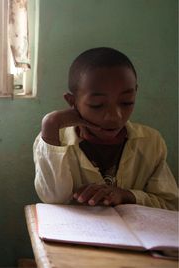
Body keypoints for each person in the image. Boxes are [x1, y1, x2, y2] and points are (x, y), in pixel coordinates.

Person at [33, 47, 178, 211]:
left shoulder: (150, 142)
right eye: (97, 105)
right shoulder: (53, 140)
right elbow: (53, 200)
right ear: (72, 101)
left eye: (126, 102)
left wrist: (125, 195)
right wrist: (51, 123)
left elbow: (170, 205)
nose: (115, 116)